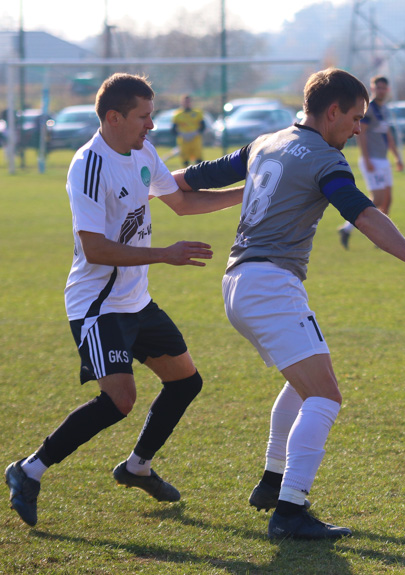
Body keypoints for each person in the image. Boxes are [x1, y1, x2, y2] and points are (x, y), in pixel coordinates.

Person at [174, 67, 405, 540]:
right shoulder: (326, 159)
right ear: (333, 111)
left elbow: (183, 179)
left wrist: (132, 180)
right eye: (356, 117)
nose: (359, 128)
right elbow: (363, 214)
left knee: (304, 386)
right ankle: (290, 511)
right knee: (325, 396)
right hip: (270, 285)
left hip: (237, 281)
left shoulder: (264, 142)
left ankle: (272, 482)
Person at [4, 73, 243, 527]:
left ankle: (137, 467)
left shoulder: (142, 152)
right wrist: (165, 255)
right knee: (120, 399)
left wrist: (250, 194)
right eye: (143, 117)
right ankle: (27, 470)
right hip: (96, 304)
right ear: (113, 117)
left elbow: (183, 203)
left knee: (186, 382)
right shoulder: (89, 166)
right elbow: (94, 247)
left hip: (135, 301)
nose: (152, 126)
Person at [338, 75, 404, 249]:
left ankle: (383, 239)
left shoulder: (385, 110)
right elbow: (362, 134)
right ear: (373, 88)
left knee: (388, 200)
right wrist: (366, 158)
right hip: (372, 159)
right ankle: (347, 228)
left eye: (384, 88)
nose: (381, 90)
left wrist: (397, 156)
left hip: (383, 160)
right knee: (378, 199)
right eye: (377, 87)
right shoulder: (369, 109)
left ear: (387, 90)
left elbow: (388, 135)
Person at [171, 95, 206, 167]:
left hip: (195, 139)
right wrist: (181, 134)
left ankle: (200, 175)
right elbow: (173, 129)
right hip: (184, 140)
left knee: (198, 159)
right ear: (182, 102)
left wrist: (196, 133)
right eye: (185, 102)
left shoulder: (197, 113)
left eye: (188, 101)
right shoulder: (177, 114)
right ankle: (186, 176)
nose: (187, 103)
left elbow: (203, 126)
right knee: (185, 160)